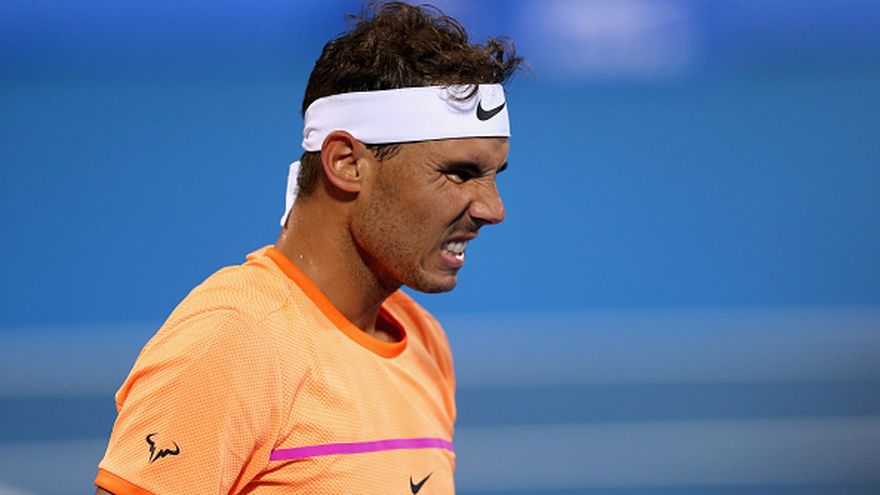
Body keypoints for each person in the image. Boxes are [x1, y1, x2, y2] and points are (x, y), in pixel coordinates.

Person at [94, 2, 522, 493]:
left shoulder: (425, 342)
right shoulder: (235, 340)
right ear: (346, 163)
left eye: (494, 176)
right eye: (459, 173)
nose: (493, 209)